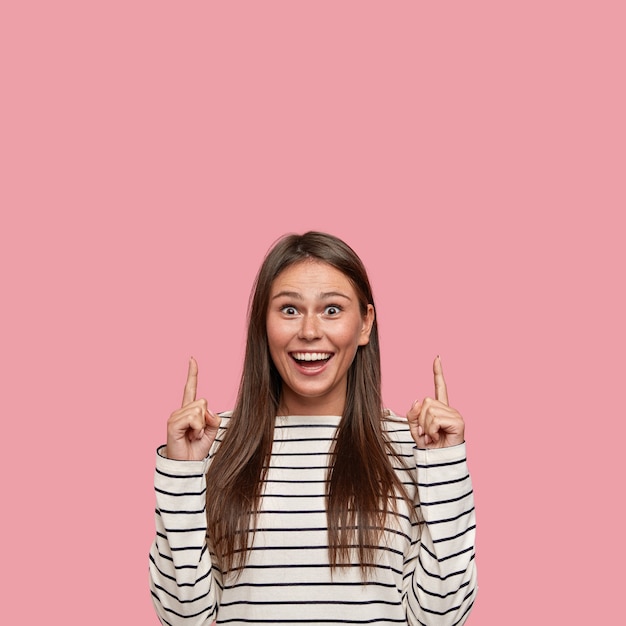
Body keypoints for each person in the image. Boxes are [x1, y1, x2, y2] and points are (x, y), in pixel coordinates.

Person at [149, 231, 477, 626]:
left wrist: (445, 466)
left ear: (365, 324)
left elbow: (441, 618)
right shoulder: (213, 444)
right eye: (289, 310)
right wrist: (182, 473)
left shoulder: (411, 447)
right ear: (262, 323)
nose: (308, 331)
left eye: (332, 310)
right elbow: (182, 617)